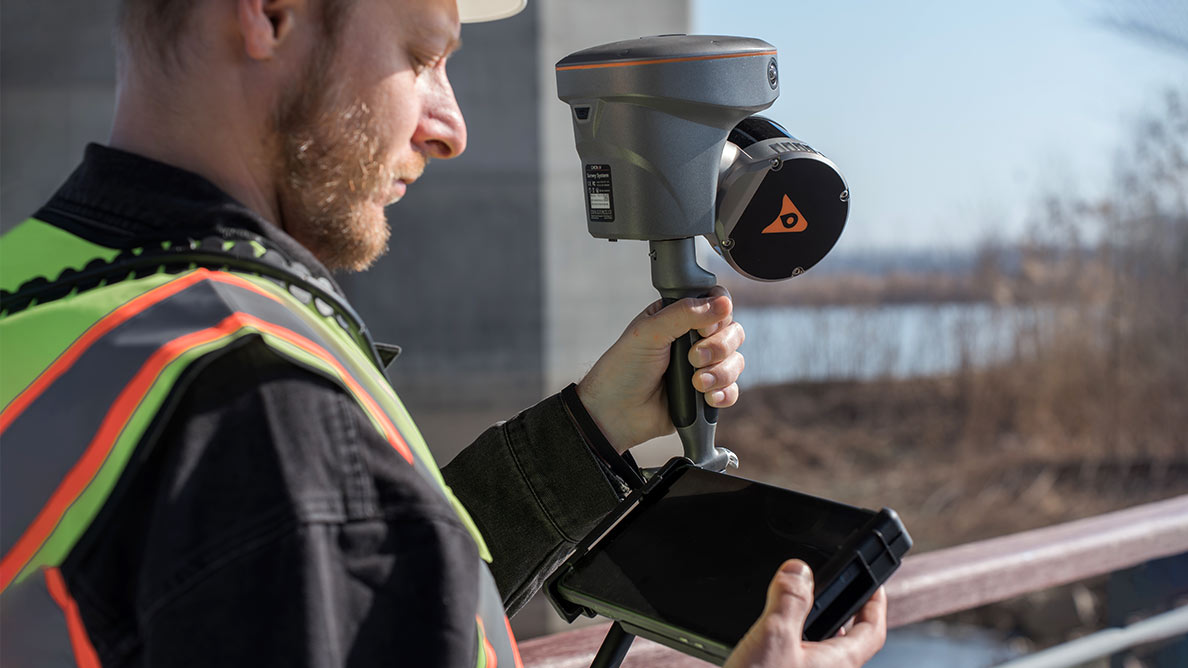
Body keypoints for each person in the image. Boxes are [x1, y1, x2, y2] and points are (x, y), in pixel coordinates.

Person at [0, 0, 886, 666]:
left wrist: (589, 433)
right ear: (269, 13)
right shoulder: (259, 408)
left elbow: (377, 605)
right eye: (422, 56)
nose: (451, 128)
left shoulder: (36, 288)